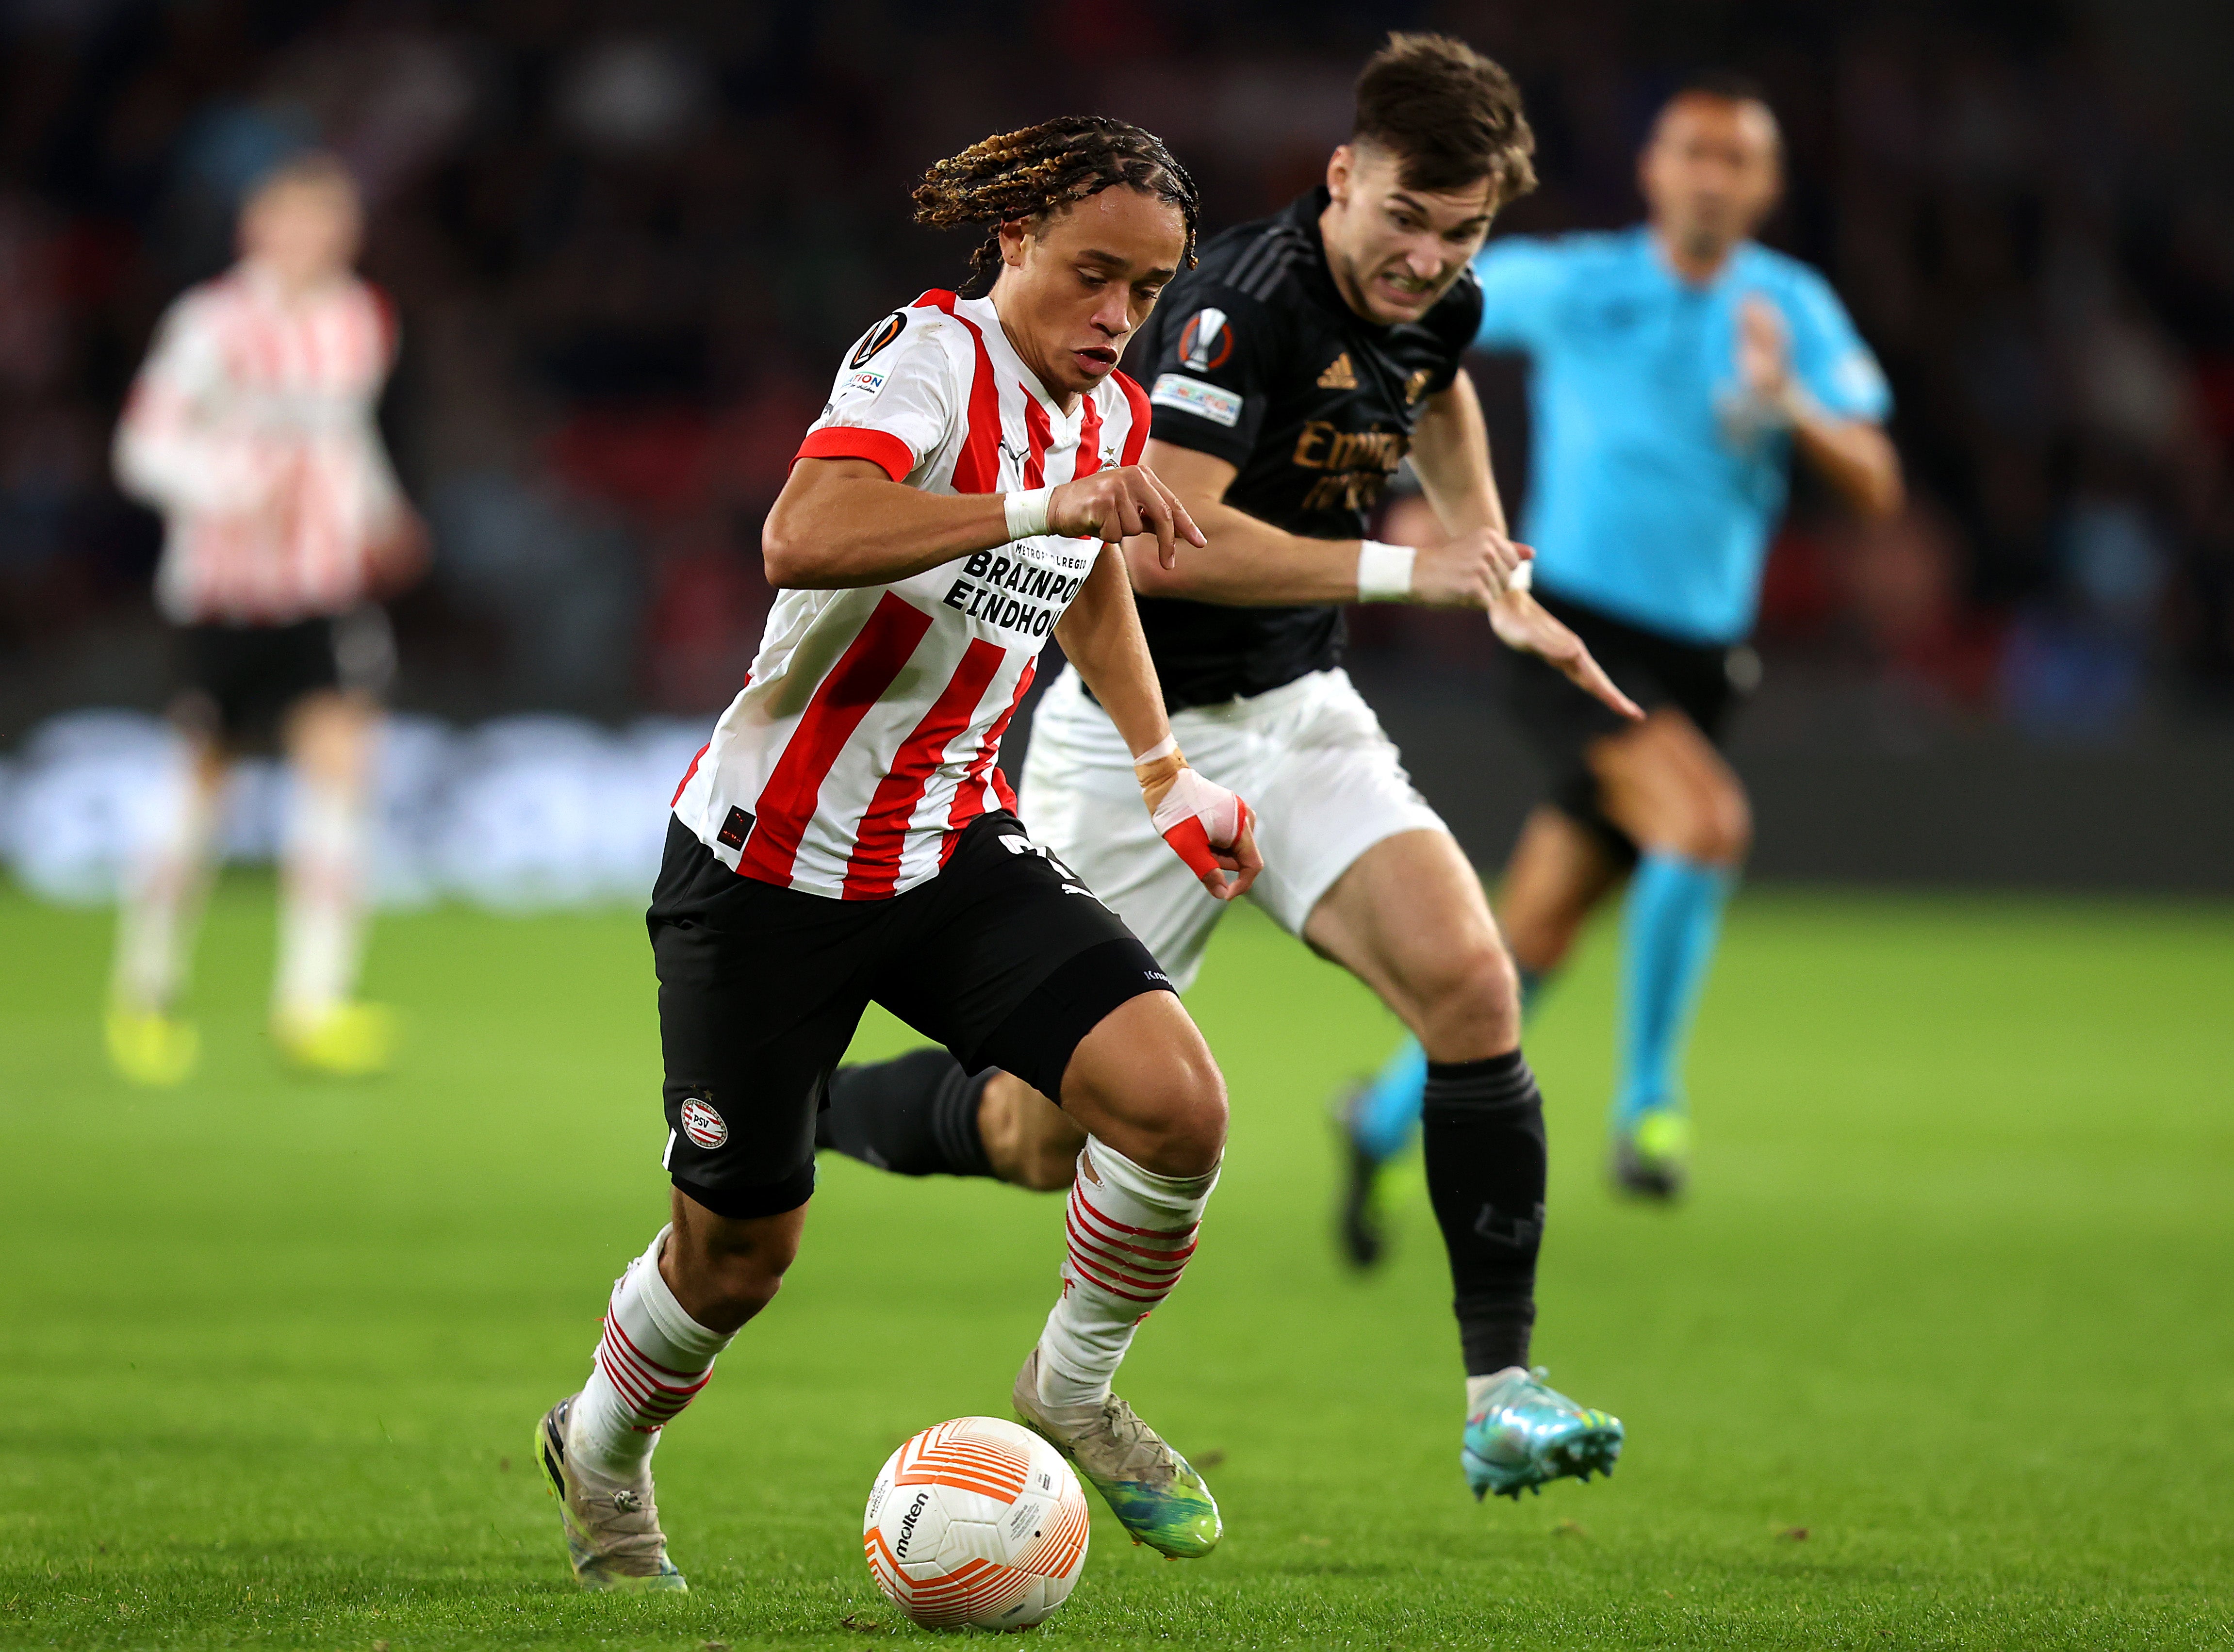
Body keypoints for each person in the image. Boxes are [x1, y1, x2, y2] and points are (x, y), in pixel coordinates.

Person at [813, 35, 1632, 1505]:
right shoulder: (1233, 306)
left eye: (1462, 234)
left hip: (1300, 714)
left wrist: (1491, 558)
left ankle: (1500, 1389)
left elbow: (1434, 386)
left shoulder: (1437, 302)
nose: (1427, 259)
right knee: (1032, 1135)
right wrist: (1411, 570)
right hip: (1137, 742)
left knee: (1472, 984)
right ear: (1341, 178)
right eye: (1404, 219)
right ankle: (802, 1100)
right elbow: (1156, 535)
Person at [533, 117, 1264, 1592]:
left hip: (945, 851)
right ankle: (601, 1449)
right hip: (763, 872)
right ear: (1013, 245)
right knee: (738, 1259)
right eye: (1091, 275)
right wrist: (1041, 502)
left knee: (1175, 1104)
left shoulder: (1105, 409)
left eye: (1146, 288)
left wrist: (1162, 765)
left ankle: (1066, 1389)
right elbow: (801, 534)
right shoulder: (925, 359)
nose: (1117, 318)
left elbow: (1087, 575)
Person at [1337, 73, 1904, 1219]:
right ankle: (1648, 1106)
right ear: (1654, 170)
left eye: (1733, 158)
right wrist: (1391, 468)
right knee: (1706, 825)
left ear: (1763, 185)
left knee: (1535, 933)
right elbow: (1406, 299)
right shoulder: (1586, 281)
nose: (1709, 174)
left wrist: (1788, 402)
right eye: (1690, 151)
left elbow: (1878, 484)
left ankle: (1381, 1117)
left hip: (1700, 658)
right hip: (1573, 627)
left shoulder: (1788, 312)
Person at [107, 152, 425, 1084]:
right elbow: (142, 445)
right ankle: (146, 987)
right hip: (224, 590)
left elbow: (346, 431)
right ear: (257, 228)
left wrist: (380, 509)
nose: (314, 239)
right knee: (204, 779)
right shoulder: (211, 324)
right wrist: (231, 490)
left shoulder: (359, 318)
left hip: (325, 586)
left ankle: (311, 1001)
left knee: (342, 765)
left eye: (330, 222)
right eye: (295, 220)